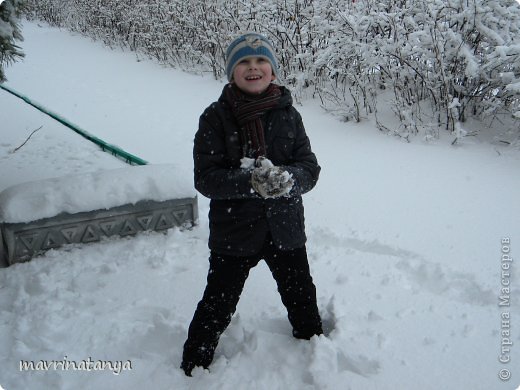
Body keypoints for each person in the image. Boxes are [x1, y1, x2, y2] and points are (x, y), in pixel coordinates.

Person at [181, 32, 323, 376]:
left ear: (273, 70)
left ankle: (317, 349)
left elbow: (309, 167)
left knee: (301, 295)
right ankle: (193, 366)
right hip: (235, 232)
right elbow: (206, 179)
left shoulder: (290, 115)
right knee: (218, 301)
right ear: (232, 71)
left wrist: (288, 178)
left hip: (285, 229)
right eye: (244, 61)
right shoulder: (215, 117)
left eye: (261, 61)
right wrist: (252, 182)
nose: (253, 67)